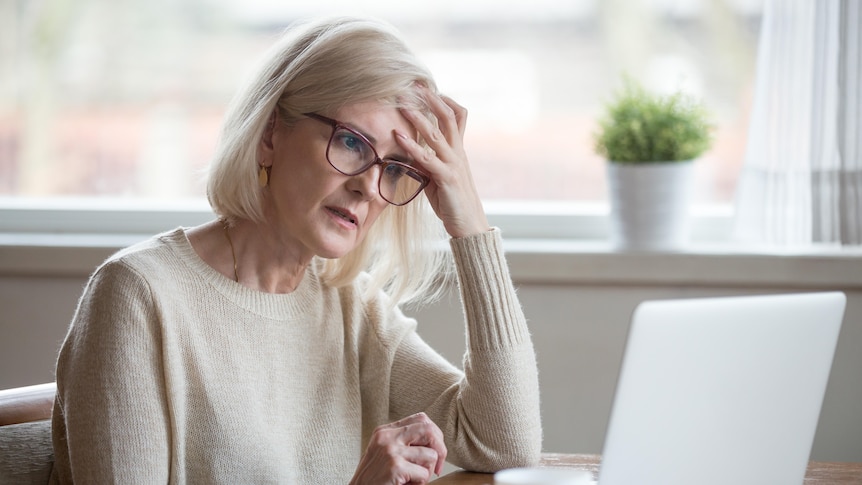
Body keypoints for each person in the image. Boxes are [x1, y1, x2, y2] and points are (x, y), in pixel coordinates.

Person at [50, 15, 542, 484]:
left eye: (396, 169)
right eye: (351, 142)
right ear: (269, 135)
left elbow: (504, 443)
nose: (370, 187)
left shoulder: (353, 308)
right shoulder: (136, 297)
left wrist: (469, 223)